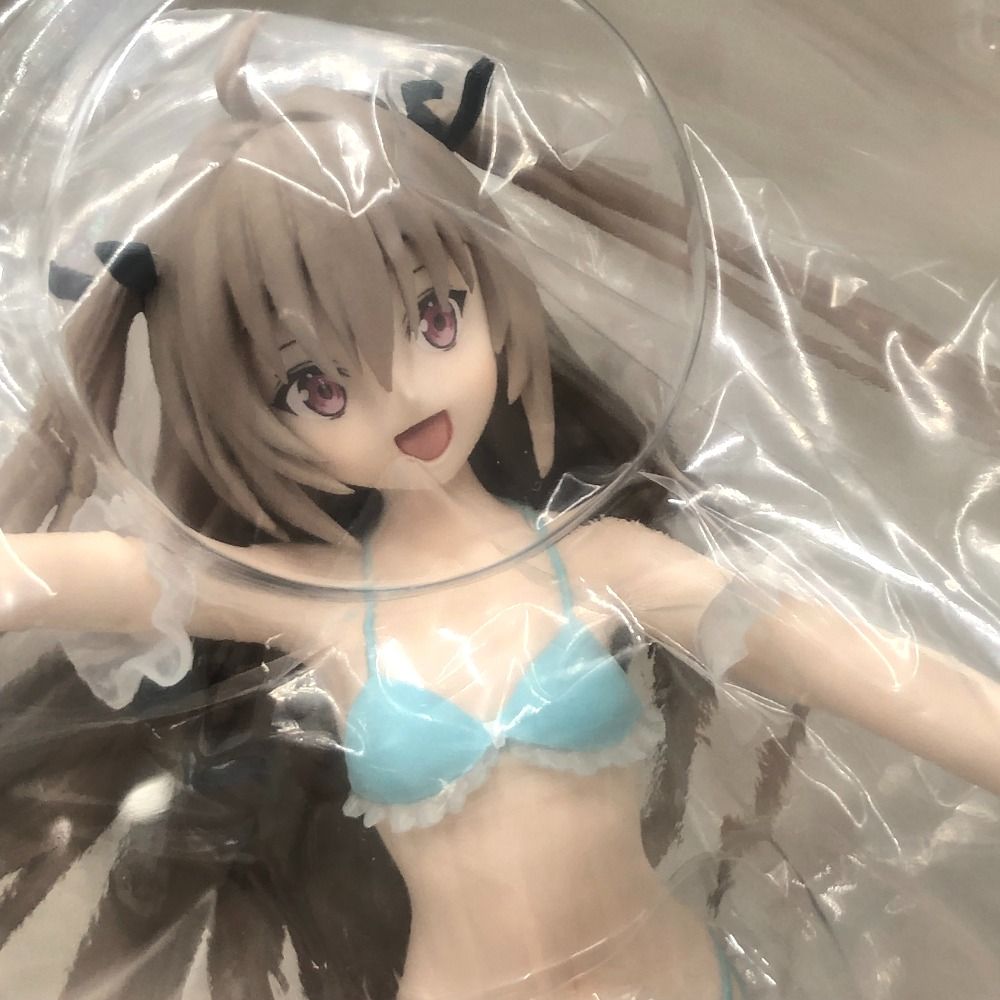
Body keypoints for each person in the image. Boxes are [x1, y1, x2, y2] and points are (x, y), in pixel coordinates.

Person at [1, 15, 998, 1000]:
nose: (403, 391)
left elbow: (871, 669)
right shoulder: (315, 602)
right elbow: (76, 576)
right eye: (316, 386)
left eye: (434, 316)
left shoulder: (604, 562)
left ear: (488, 283)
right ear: (244, 414)